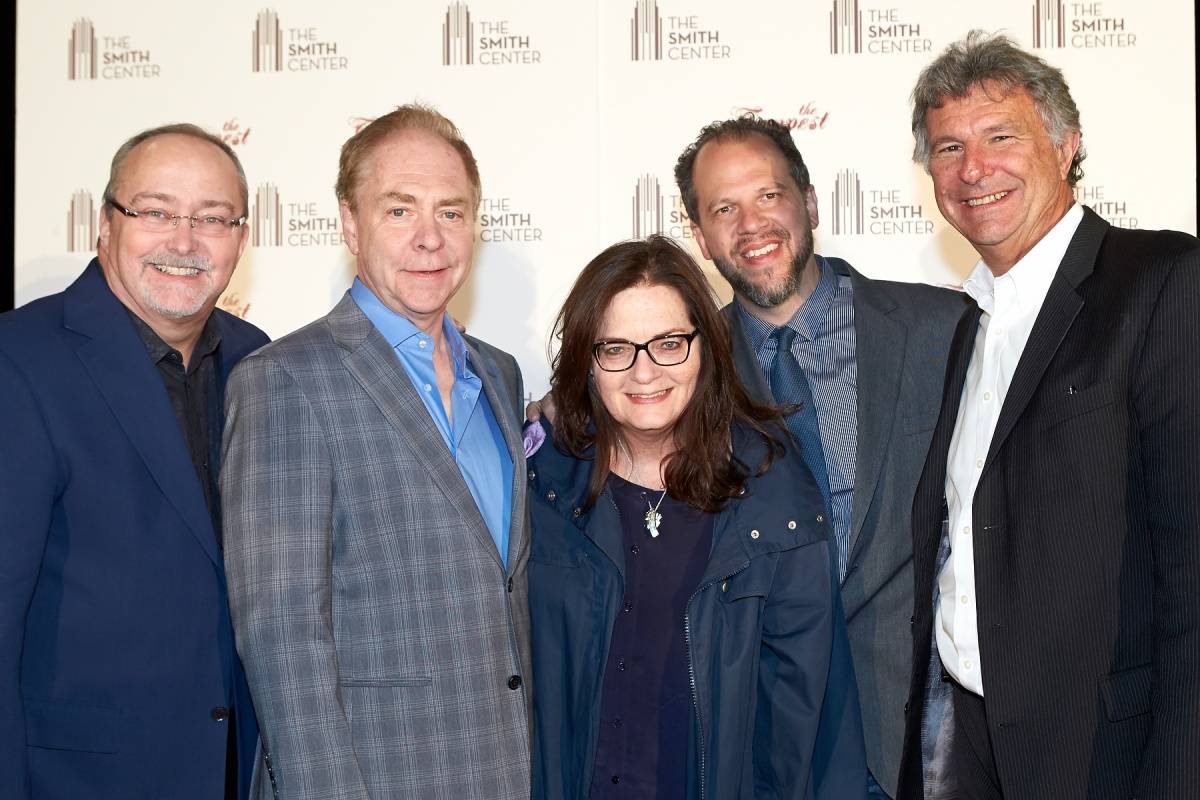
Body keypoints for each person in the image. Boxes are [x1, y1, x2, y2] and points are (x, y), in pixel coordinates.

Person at [897, 31, 1200, 800]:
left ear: (1066, 148)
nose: (973, 169)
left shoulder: (1161, 281)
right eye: (948, 147)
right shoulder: (956, 325)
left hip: (1104, 753)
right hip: (963, 747)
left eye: (1002, 137)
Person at [221, 104, 532, 800]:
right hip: (372, 778)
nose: (430, 238)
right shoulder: (284, 380)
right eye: (399, 211)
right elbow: (281, 635)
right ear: (349, 224)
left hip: (507, 771)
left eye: (451, 212)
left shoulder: (501, 375)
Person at [674, 117, 968, 797]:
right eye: (724, 208)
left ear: (809, 204)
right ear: (701, 236)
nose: (751, 225)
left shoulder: (940, 330)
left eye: (769, 196)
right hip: (760, 750)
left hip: (916, 748)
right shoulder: (676, 373)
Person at [527, 235, 866, 799]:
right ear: (587, 362)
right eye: (615, 348)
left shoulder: (775, 497)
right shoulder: (542, 488)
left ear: (706, 346)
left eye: (668, 343)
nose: (644, 373)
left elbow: (816, 716)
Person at [0, 124, 266, 798]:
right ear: (105, 224)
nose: (184, 241)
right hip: (78, 777)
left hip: (236, 770)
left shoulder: (258, 361)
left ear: (240, 236)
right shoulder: (20, 359)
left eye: (212, 218)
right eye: (154, 212)